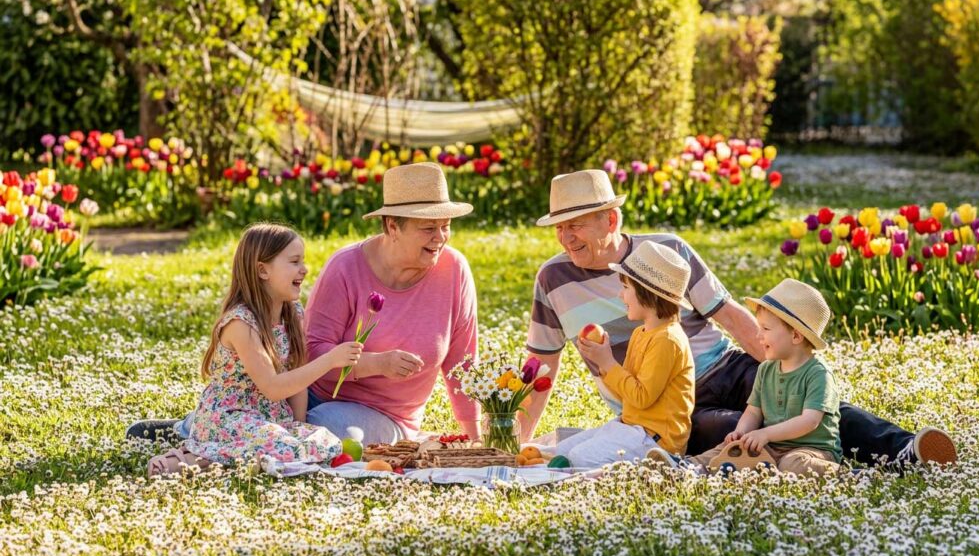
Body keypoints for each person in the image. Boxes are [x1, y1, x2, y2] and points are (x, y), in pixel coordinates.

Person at [521, 169, 957, 467]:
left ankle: (905, 450)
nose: (565, 237)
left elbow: (729, 315)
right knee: (742, 433)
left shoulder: (666, 252)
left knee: (807, 408)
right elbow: (542, 365)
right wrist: (514, 436)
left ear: (610, 219)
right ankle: (832, 468)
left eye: (575, 224)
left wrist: (778, 377)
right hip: (667, 406)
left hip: (725, 366)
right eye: (559, 228)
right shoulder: (553, 279)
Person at [130, 162, 480, 447]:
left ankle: (214, 431)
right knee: (290, 426)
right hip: (308, 395)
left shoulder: (454, 272)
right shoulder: (346, 268)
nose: (440, 238)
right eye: (428, 228)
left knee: (331, 437)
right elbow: (309, 352)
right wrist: (377, 364)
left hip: (383, 415)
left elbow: (463, 363)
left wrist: (475, 438)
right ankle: (198, 428)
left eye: (445, 226)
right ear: (392, 226)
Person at [147, 223, 362, 476]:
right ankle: (193, 458)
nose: (303, 270)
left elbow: (298, 380)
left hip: (269, 420)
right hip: (228, 418)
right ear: (262, 270)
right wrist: (329, 360)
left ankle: (221, 456)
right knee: (287, 448)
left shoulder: (293, 314)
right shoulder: (241, 323)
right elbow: (272, 388)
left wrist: (297, 429)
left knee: (326, 443)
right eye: (294, 262)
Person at [551, 241, 695, 468]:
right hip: (630, 426)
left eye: (626, 288)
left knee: (578, 458)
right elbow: (625, 395)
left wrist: (608, 362)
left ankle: (669, 465)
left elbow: (641, 397)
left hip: (656, 440)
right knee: (560, 451)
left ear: (648, 294)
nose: (621, 295)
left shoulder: (667, 339)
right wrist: (603, 363)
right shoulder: (641, 333)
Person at [684, 279, 841, 476]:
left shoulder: (818, 374)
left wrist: (765, 433)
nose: (759, 336)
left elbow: (809, 421)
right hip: (772, 446)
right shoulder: (766, 369)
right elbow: (753, 412)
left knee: (792, 464)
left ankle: (847, 475)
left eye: (765, 329)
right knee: (727, 451)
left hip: (812, 450)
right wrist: (741, 433)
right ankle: (684, 467)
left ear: (796, 337)